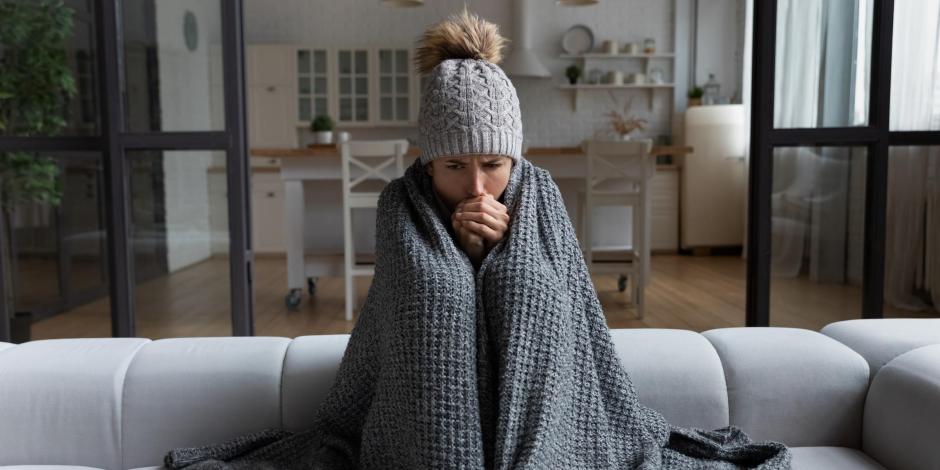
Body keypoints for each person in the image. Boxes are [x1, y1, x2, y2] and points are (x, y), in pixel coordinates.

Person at [163, 8, 790, 469]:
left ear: (515, 159)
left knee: (525, 284)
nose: (476, 185)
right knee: (438, 292)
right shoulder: (399, 204)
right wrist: (462, 254)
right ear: (428, 163)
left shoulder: (539, 194)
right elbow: (408, 304)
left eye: (493, 163)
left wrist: (502, 252)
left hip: (548, 410)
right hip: (420, 424)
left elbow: (569, 308)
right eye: (454, 167)